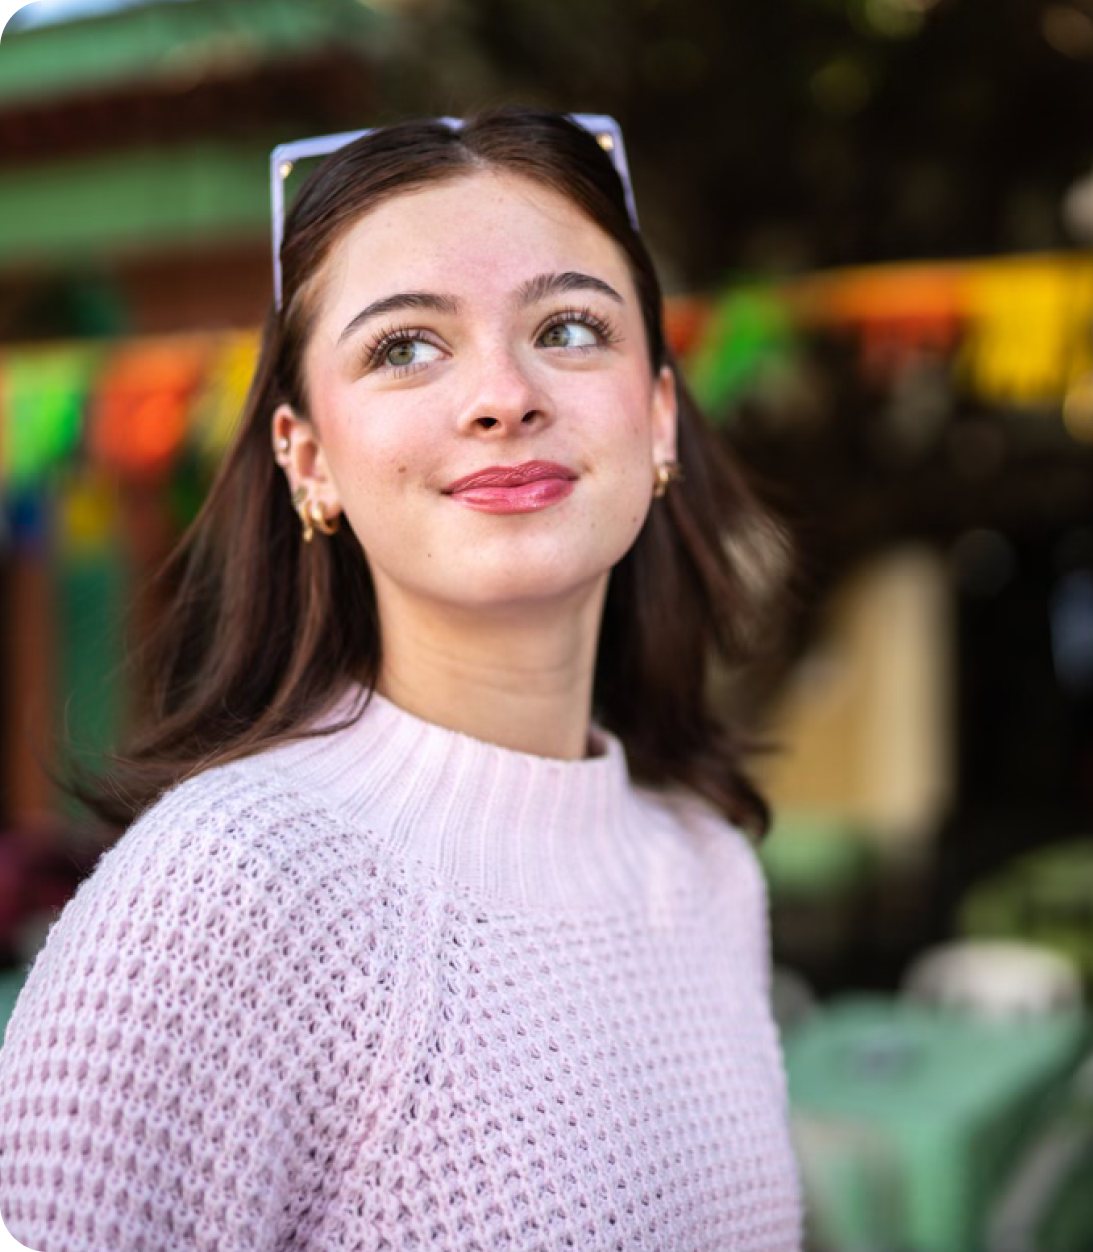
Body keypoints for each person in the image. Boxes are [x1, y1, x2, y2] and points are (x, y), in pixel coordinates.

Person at [0, 108, 802, 1251]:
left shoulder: (708, 868)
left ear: (660, 416)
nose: (502, 395)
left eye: (570, 327)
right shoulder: (225, 894)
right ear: (309, 458)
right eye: (405, 347)